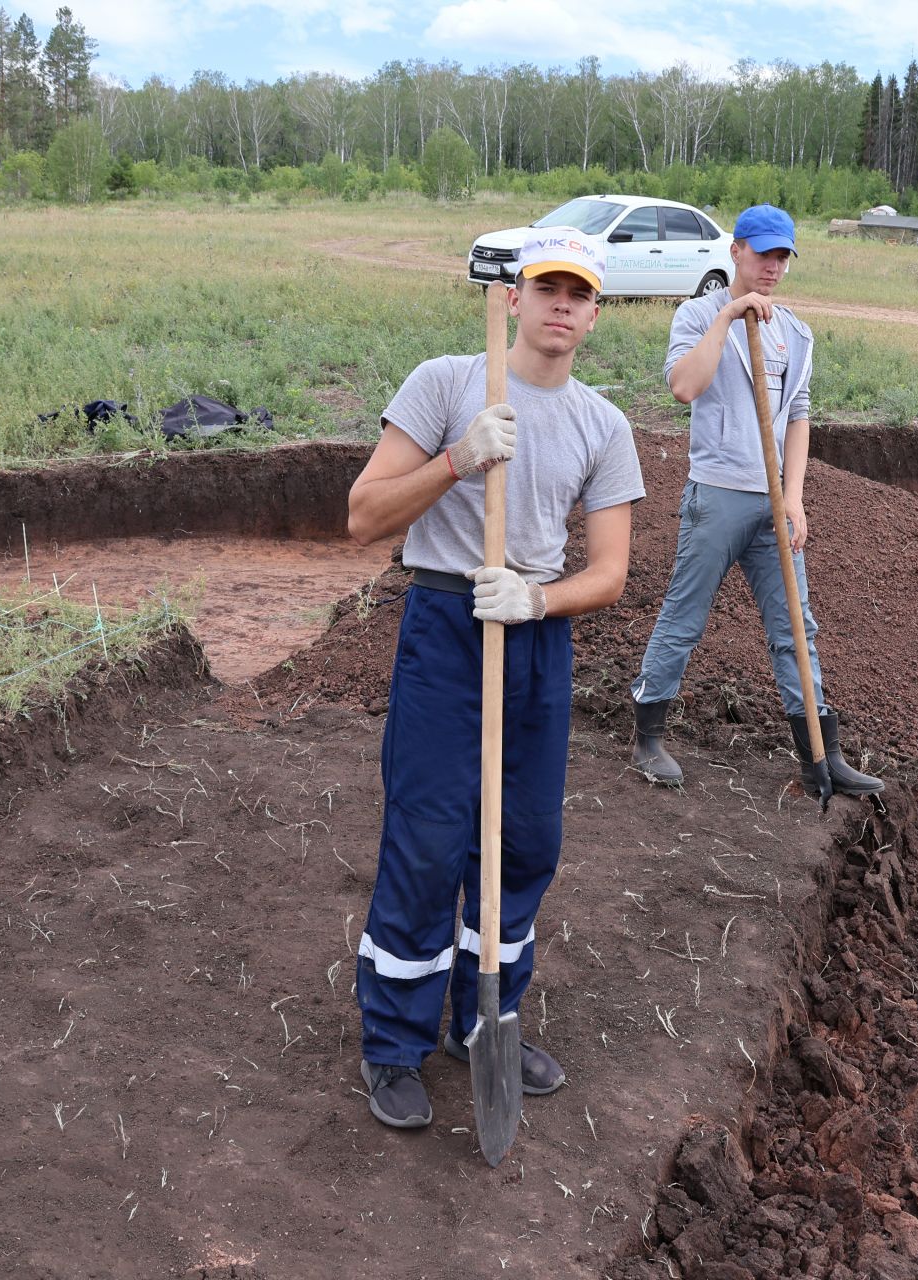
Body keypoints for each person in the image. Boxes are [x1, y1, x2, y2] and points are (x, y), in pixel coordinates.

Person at [343, 230, 644, 1130]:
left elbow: (612, 574)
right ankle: (394, 1041)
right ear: (513, 298)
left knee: (524, 842)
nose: (561, 304)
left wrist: (537, 598)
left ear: (595, 314)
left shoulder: (604, 424)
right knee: (431, 835)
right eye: (546, 287)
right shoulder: (443, 385)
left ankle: (488, 1020)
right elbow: (363, 516)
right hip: (445, 625)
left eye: (578, 294)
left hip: (535, 637)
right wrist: (456, 458)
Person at [628, 204, 883, 800]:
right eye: (763, 253)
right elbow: (684, 387)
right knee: (684, 618)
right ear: (736, 250)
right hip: (717, 496)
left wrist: (794, 498)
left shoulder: (796, 332)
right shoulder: (696, 314)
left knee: (796, 629)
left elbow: (798, 416)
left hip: (772, 506)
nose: (773, 266)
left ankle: (822, 756)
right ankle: (647, 736)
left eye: (783, 257)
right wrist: (728, 316)